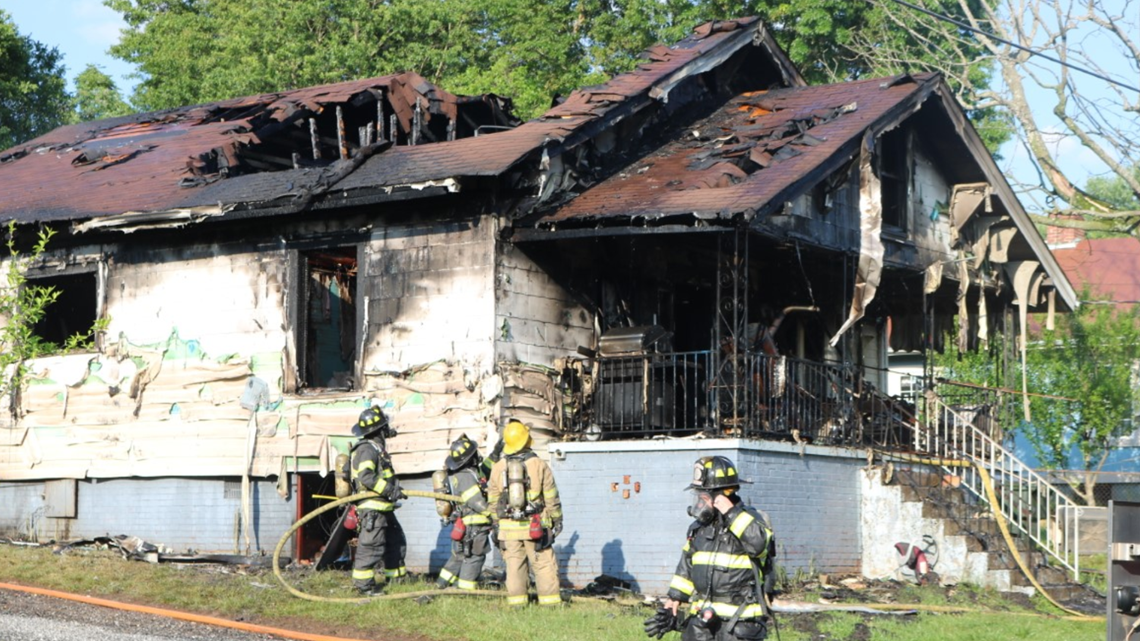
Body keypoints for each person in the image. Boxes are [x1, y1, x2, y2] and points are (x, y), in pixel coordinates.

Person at [645, 456, 775, 641]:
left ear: (721, 495)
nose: (699, 502)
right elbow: (687, 567)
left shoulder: (750, 522)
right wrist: (674, 599)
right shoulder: (699, 529)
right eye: (698, 495)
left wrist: (731, 512)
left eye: (704, 496)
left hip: (741, 623)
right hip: (703, 622)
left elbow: (759, 545)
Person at [486, 419, 563, 606]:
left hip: (508, 529)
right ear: (526, 440)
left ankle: (517, 604)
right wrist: (556, 519)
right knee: (543, 564)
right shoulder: (539, 464)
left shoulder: (497, 468)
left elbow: (493, 501)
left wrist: (496, 525)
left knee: (514, 567)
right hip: (535, 527)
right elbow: (551, 496)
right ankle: (551, 605)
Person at [349, 404, 406, 595]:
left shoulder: (376, 448)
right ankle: (364, 587)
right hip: (373, 508)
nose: (387, 430)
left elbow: (384, 475)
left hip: (384, 507)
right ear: (379, 430)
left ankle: (396, 580)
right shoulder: (367, 449)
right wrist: (389, 490)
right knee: (371, 546)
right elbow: (366, 476)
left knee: (395, 543)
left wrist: (396, 490)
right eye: (384, 427)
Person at [436, 434, 494, 590]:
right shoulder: (467, 476)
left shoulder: (459, 474)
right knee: (475, 556)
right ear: (469, 458)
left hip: (463, 524)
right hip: (475, 524)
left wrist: (496, 452)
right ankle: (465, 590)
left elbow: (484, 471)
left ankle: (441, 584)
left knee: (459, 556)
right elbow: (476, 501)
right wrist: (493, 514)